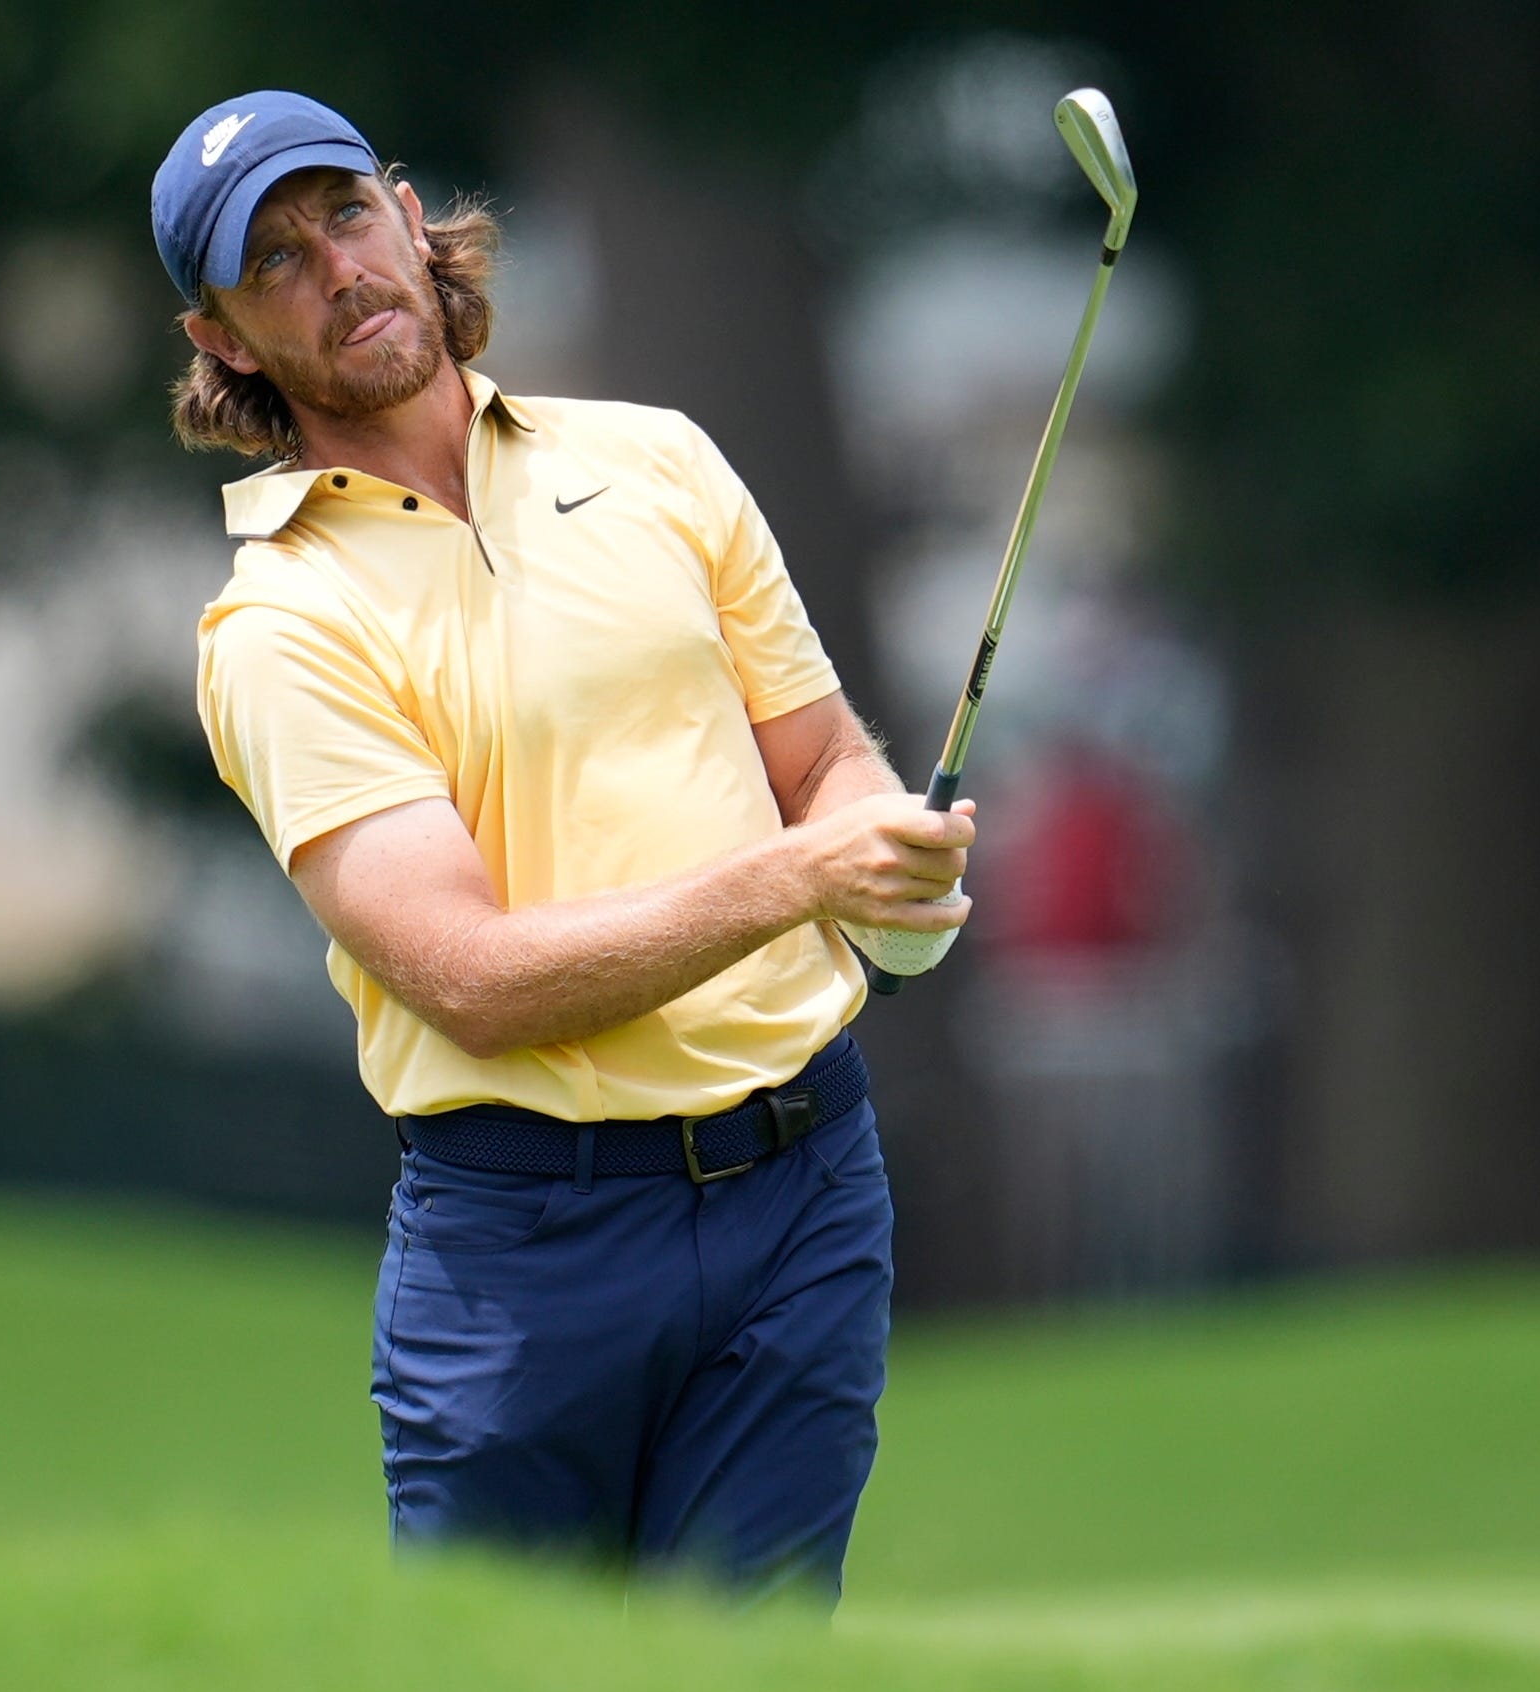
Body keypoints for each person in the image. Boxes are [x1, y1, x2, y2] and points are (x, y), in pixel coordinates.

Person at [151, 91, 973, 1610]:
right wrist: (802, 880)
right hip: (526, 1242)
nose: (333, 269)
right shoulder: (281, 627)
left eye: (341, 214)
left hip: (804, 1185)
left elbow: (822, 762)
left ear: (407, 215)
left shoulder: (657, 459)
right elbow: (472, 978)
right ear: (222, 339)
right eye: (271, 264)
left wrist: (891, 861)